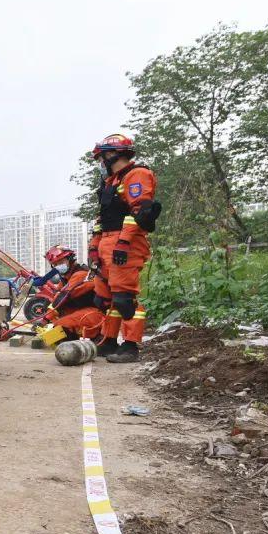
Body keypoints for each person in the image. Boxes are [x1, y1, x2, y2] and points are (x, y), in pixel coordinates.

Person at [88, 134, 160, 363]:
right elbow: (102, 219)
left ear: (112, 155)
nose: (101, 164)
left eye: (101, 158)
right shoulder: (111, 183)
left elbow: (139, 211)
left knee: (124, 298)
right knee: (105, 299)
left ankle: (130, 346)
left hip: (125, 243)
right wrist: (94, 248)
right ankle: (109, 341)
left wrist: (124, 242)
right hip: (107, 244)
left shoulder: (136, 175)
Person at [39, 245, 103, 340]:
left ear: (70, 259)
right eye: (55, 264)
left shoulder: (81, 274)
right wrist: (45, 313)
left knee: (59, 327)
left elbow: (63, 297)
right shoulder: (67, 277)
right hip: (82, 310)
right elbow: (56, 295)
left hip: (94, 313)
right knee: (55, 321)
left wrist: (45, 319)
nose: (58, 266)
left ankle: (89, 335)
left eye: (60, 262)